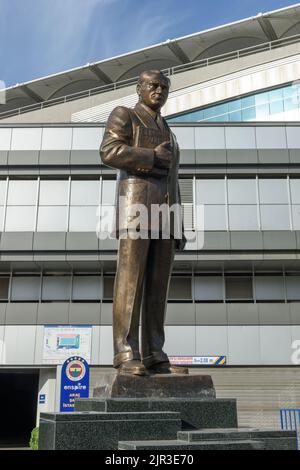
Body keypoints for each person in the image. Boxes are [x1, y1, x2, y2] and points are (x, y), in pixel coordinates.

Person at [100, 70, 187, 375]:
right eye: (153, 85)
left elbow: (174, 180)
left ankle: (154, 354)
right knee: (130, 282)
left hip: (166, 216)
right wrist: (150, 156)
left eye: (164, 87)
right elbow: (108, 151)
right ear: (139, 88)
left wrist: (178, 222)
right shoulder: (125, 115)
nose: (159, 91)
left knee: (157, 288)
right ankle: (125, 353)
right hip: (136, 209)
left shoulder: (169, 130)